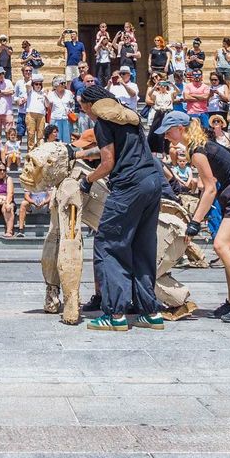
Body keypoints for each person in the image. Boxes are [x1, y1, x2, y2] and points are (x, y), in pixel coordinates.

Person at [159, 111, 230, 322]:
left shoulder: (198, 151)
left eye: (168, 132)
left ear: (180, 129)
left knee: (221, 246)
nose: (165, 136)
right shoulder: (201, 146)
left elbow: (209, 189)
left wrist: (195, 222)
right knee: (229, 248)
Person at [77, 85, 167, 332]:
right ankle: (150, 312)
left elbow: (107, 163)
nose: (81, 108)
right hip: (151, 181)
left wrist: (88, 179)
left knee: (109, 243)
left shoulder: (102, 123)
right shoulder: (127, 114)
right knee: (142, 246)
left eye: (82, 104)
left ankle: (115, 314)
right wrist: (81, 154)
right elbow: (116, 148)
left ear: (90, 104)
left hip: (129, 186)